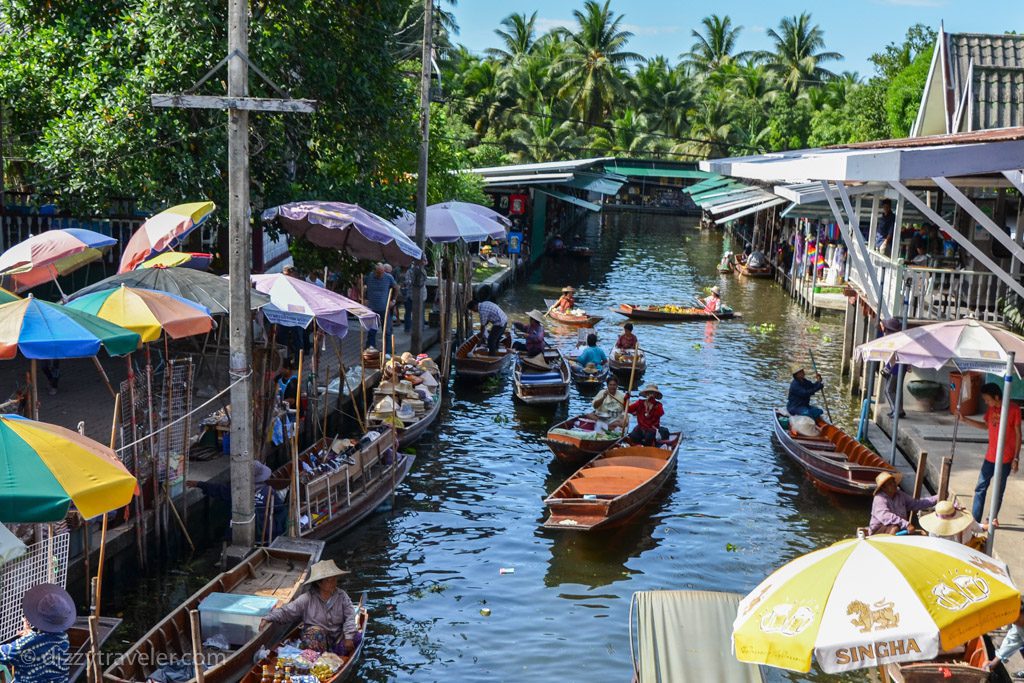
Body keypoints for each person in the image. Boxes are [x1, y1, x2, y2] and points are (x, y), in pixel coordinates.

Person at [264, 560, 360, 655]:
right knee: (315, 633)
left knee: (357, 637)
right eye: (329, 581)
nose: (334, 583)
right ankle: (318, 660)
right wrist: (269, 617)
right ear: (319, 583)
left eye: (335, 579)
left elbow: (350, 617)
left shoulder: (342, 596)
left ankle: (336, 653)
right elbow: (287, 612)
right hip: (316, 641)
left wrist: (348, 637)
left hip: (337, 638)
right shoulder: (307, 598)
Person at [961, 382, 1022, 525]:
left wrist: (1016, 458)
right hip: (990, 457)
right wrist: (965, 420)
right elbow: (986, 426)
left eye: (987, 399)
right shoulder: (991, 409)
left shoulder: (1013, 409)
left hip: (1006, 459)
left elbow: (1019, 434)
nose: (986, 402)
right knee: (980, 488)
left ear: (996, 396)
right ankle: (975, 521)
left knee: (998, 491)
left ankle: (991, 519)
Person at [188, 462, 286, 543]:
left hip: (246, 528)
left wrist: (199, 484)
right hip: (261, 531)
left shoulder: (237, 490)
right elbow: (280, 509)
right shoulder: (267, 491)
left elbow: (218, 489)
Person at [0, 583, 73, 682]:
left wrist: (27, 640)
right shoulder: (63, 638)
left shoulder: (25, 645)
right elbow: (42, 644)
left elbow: (3, 654)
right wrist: (30, 636)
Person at [868, 472, 938, 535]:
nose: (894, 484)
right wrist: (906, 524)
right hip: (878, 531)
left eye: (893, 482)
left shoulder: (900, 495)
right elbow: (886, 516)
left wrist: (936, 498)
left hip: (899, 529)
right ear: (883, 488)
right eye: (890, 484)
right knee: (895, 527)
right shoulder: (879, 498)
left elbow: (916, 503)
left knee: (921, 534)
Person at [363, 263, 399, 355]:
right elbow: (361, 285)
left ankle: (388, 351)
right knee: (372, 329)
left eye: (382, 273)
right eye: (379, 273)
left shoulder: (388, 277)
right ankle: (370, 348)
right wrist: (364, 298)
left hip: (385, 308)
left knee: (387, 330)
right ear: (374, 271)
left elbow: (396, 288)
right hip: (372, 308)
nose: (380, 275)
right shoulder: (369, 277)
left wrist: (393, 301)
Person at [918, 500, 986, 547]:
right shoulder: (934, 531)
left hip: (968, 555)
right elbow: (934, 546)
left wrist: (991, 525)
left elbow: (979, 528)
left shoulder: (967, 522)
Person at [983, 601, 1024, 677]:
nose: (1014, 623)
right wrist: (995, 661)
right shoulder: (1019, 626)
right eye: (1013, 621)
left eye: (1016, 620)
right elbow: (1012, 640)